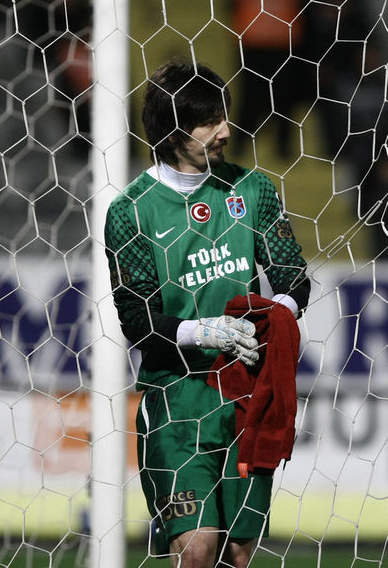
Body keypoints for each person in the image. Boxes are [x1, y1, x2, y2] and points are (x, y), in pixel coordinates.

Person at [104, 58, 311, 568]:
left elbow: (293, 277)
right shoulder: (131, 211)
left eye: (225, 115)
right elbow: (138, 322)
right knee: (197, 550)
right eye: (208, 121)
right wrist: (207, 331)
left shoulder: (252, 190)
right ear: (173, 128)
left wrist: (273, 318)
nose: (224, 131)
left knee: (237, 555)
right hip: (178, 401)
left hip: (245, 395)